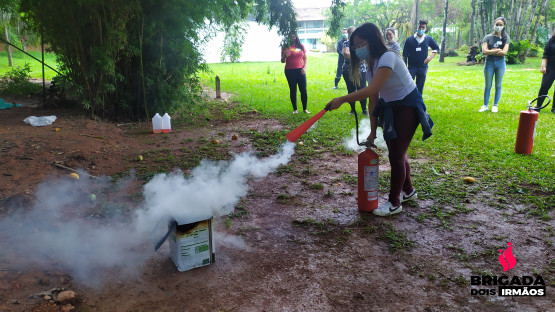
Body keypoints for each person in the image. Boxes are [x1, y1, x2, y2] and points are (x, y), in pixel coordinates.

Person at [325, 23, 434, 217]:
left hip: (408, 106)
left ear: (373, 41)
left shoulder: (388, 57)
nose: (358, 48)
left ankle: (394, 203)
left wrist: (341, 99)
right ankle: (408, 191)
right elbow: (373, 100)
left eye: (361, 44)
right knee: (396, 151)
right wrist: (373, 131)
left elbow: (371, 90)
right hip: (391, 107)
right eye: (355, 45)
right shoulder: (371, 65)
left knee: (396, 155)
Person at [479, 17, 510, 113]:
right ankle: (485, 105)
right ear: (494, 25)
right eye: (497, 24)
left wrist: (491, 51)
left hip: (500, 64)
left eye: (500, 25)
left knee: (498, 85)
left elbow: (504, 52)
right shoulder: (487, 37)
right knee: (488, 85)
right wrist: (497, 50)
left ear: (504, 26)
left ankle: (495, 105)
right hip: (489, 63)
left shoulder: (506, 38)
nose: (498, 26)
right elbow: (484, 51)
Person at [402, 20, 439, 95]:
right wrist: (405, 68)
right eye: (420, 27)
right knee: (409, 86)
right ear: (417, 27)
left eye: (423, 27)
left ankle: (418, 103)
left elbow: (436, 48)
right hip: (411, 67)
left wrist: (430, 57)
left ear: (425, 29)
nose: (421, 29)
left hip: (423, 67)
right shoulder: (409, 40)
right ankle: (409, 103)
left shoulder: (428, 39)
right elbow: (404, 54)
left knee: (420, 87)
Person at [342, 26, 368, 115]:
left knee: (362, 89)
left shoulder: (362, 43)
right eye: (350, 33)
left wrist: (354, 56)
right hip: (348, 71)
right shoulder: (346, 43)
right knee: (351, 90)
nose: (352, 34)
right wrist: (358, 56)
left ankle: (364, 110)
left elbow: (365, 55)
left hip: (361, 70)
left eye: (354, 32)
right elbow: (346, 54)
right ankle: (353, 110)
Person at [281, 33, 309, 114]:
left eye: (294, 37)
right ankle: (295, 109)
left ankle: (305, 109)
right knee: (293, 90)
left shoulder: (301, 46)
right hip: (290, 71)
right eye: (291, 37)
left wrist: (304, 67)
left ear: (296, 37)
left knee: (303, 90)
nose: (293, 38)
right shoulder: (285, 47)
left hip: (301, 70)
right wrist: (285, 56)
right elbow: (282, 61)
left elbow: (305, 58)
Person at [535, 32, 555, 113]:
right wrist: (543, 66)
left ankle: (554, 108)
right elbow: (545, 54)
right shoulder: (552, 40)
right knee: (544, 85)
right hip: (550, 67)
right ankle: (538, 106)